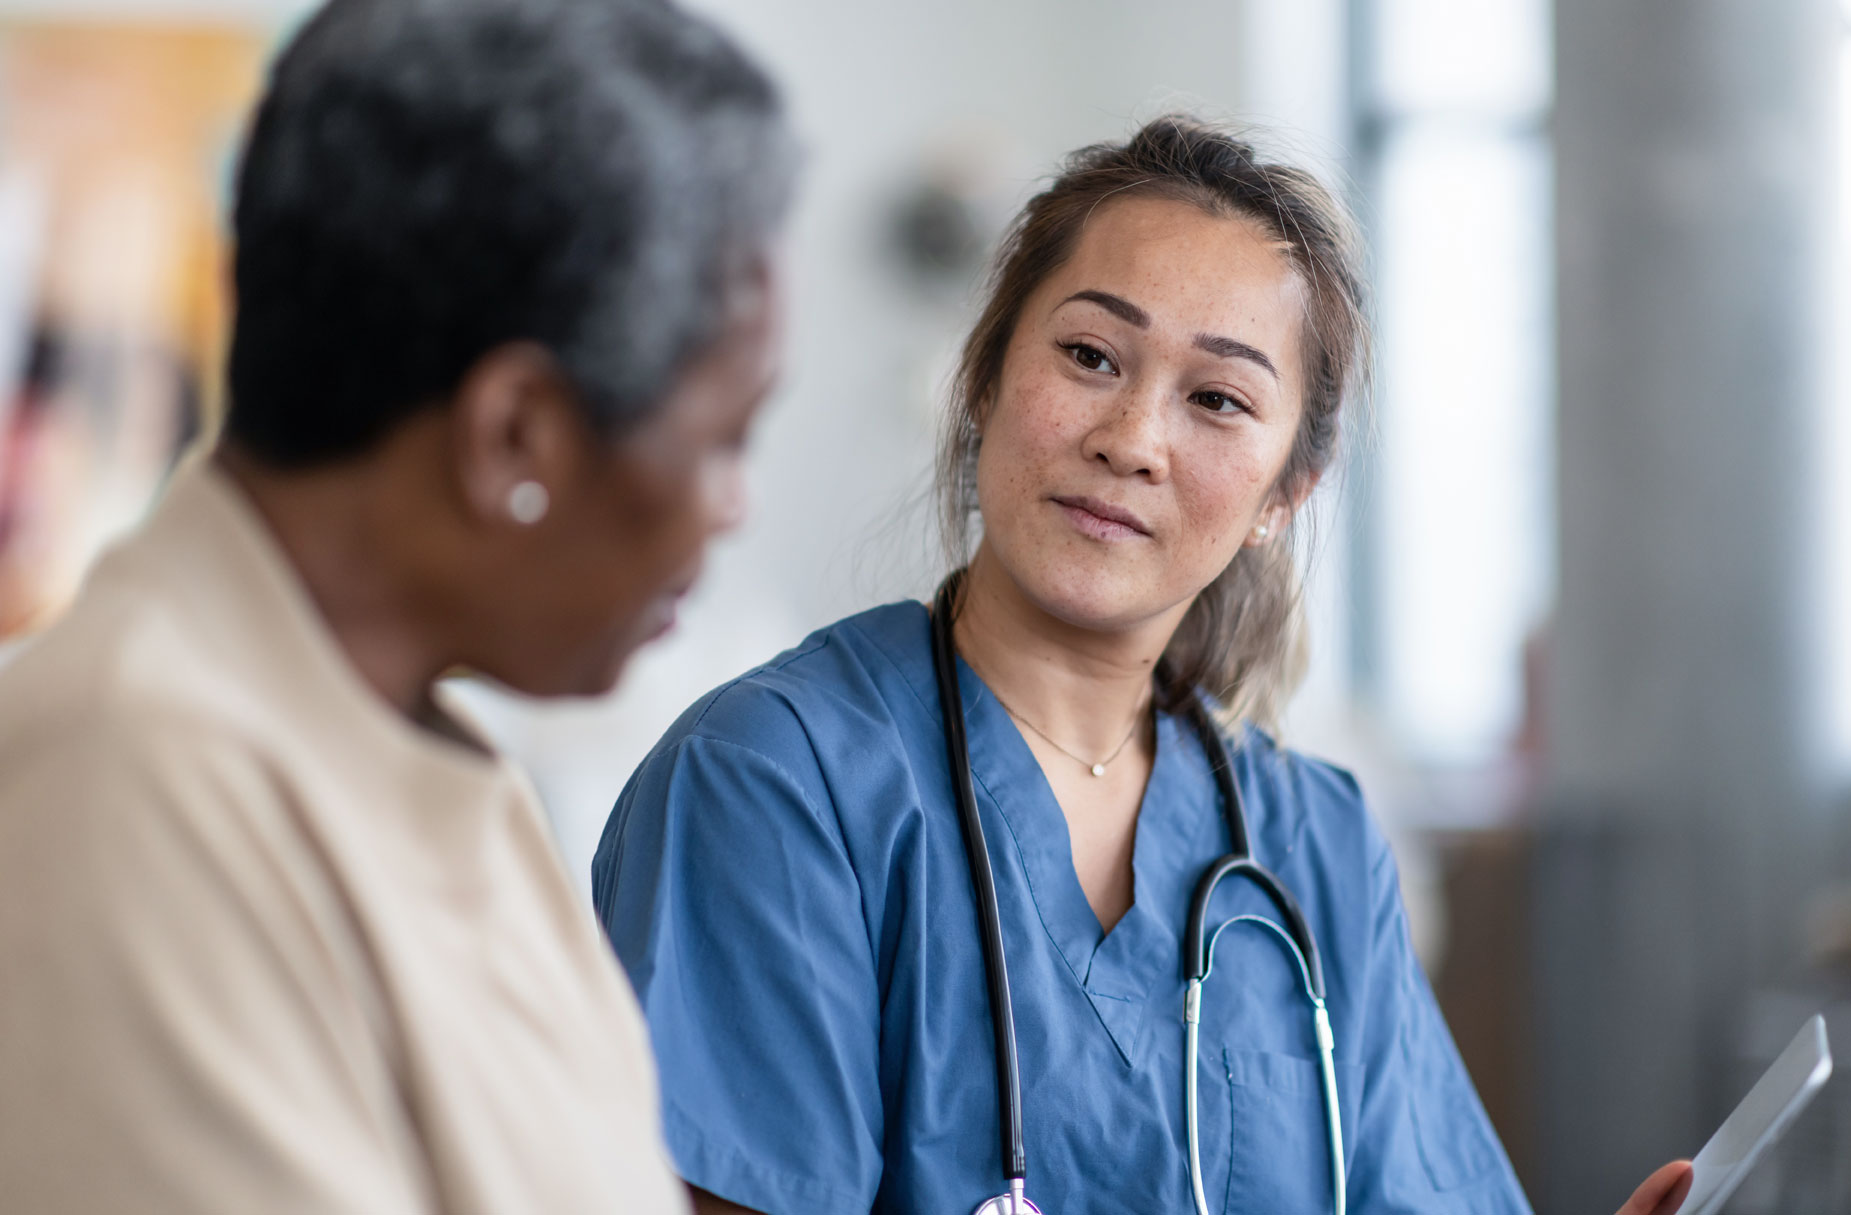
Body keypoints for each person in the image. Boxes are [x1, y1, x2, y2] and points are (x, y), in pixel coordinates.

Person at [593, 117, 1691, 1215]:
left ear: (1280, 499)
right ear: (982, 379)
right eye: (1088, 356)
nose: (1130, 437)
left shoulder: (1316, 844)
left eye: (1216, 399)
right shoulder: (772, 786)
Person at [0, 0, 793, 1209]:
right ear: (514, 436)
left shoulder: (422, 756)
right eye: (725, 441)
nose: (732, 511)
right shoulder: (124, 782)